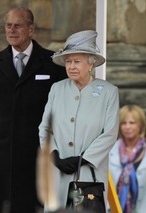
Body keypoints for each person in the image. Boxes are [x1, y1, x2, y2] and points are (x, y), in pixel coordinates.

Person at [0, 7, 67, 213]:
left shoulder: (54, 64)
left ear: (31, 29)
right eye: (8, 25)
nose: (12, 30)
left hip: (38, 151)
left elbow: (62, 112)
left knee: (34, 205)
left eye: (18, 25)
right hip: (1, 153)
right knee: (0, 205)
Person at [38, 30, 119, 211]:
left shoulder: (108, 91)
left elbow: (110, 133)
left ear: (90, 64)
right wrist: (54, 155)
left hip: (89, 172)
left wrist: (83, 159)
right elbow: (45, 128)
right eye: (68, 62)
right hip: (57, 170)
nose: (71, 66)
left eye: (77, 61)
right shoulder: (56, 89)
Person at [109, 105, 146, 213]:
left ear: (140, 125)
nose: (127, 127)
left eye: (132, 123)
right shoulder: (109, 152)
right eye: (123, 123)